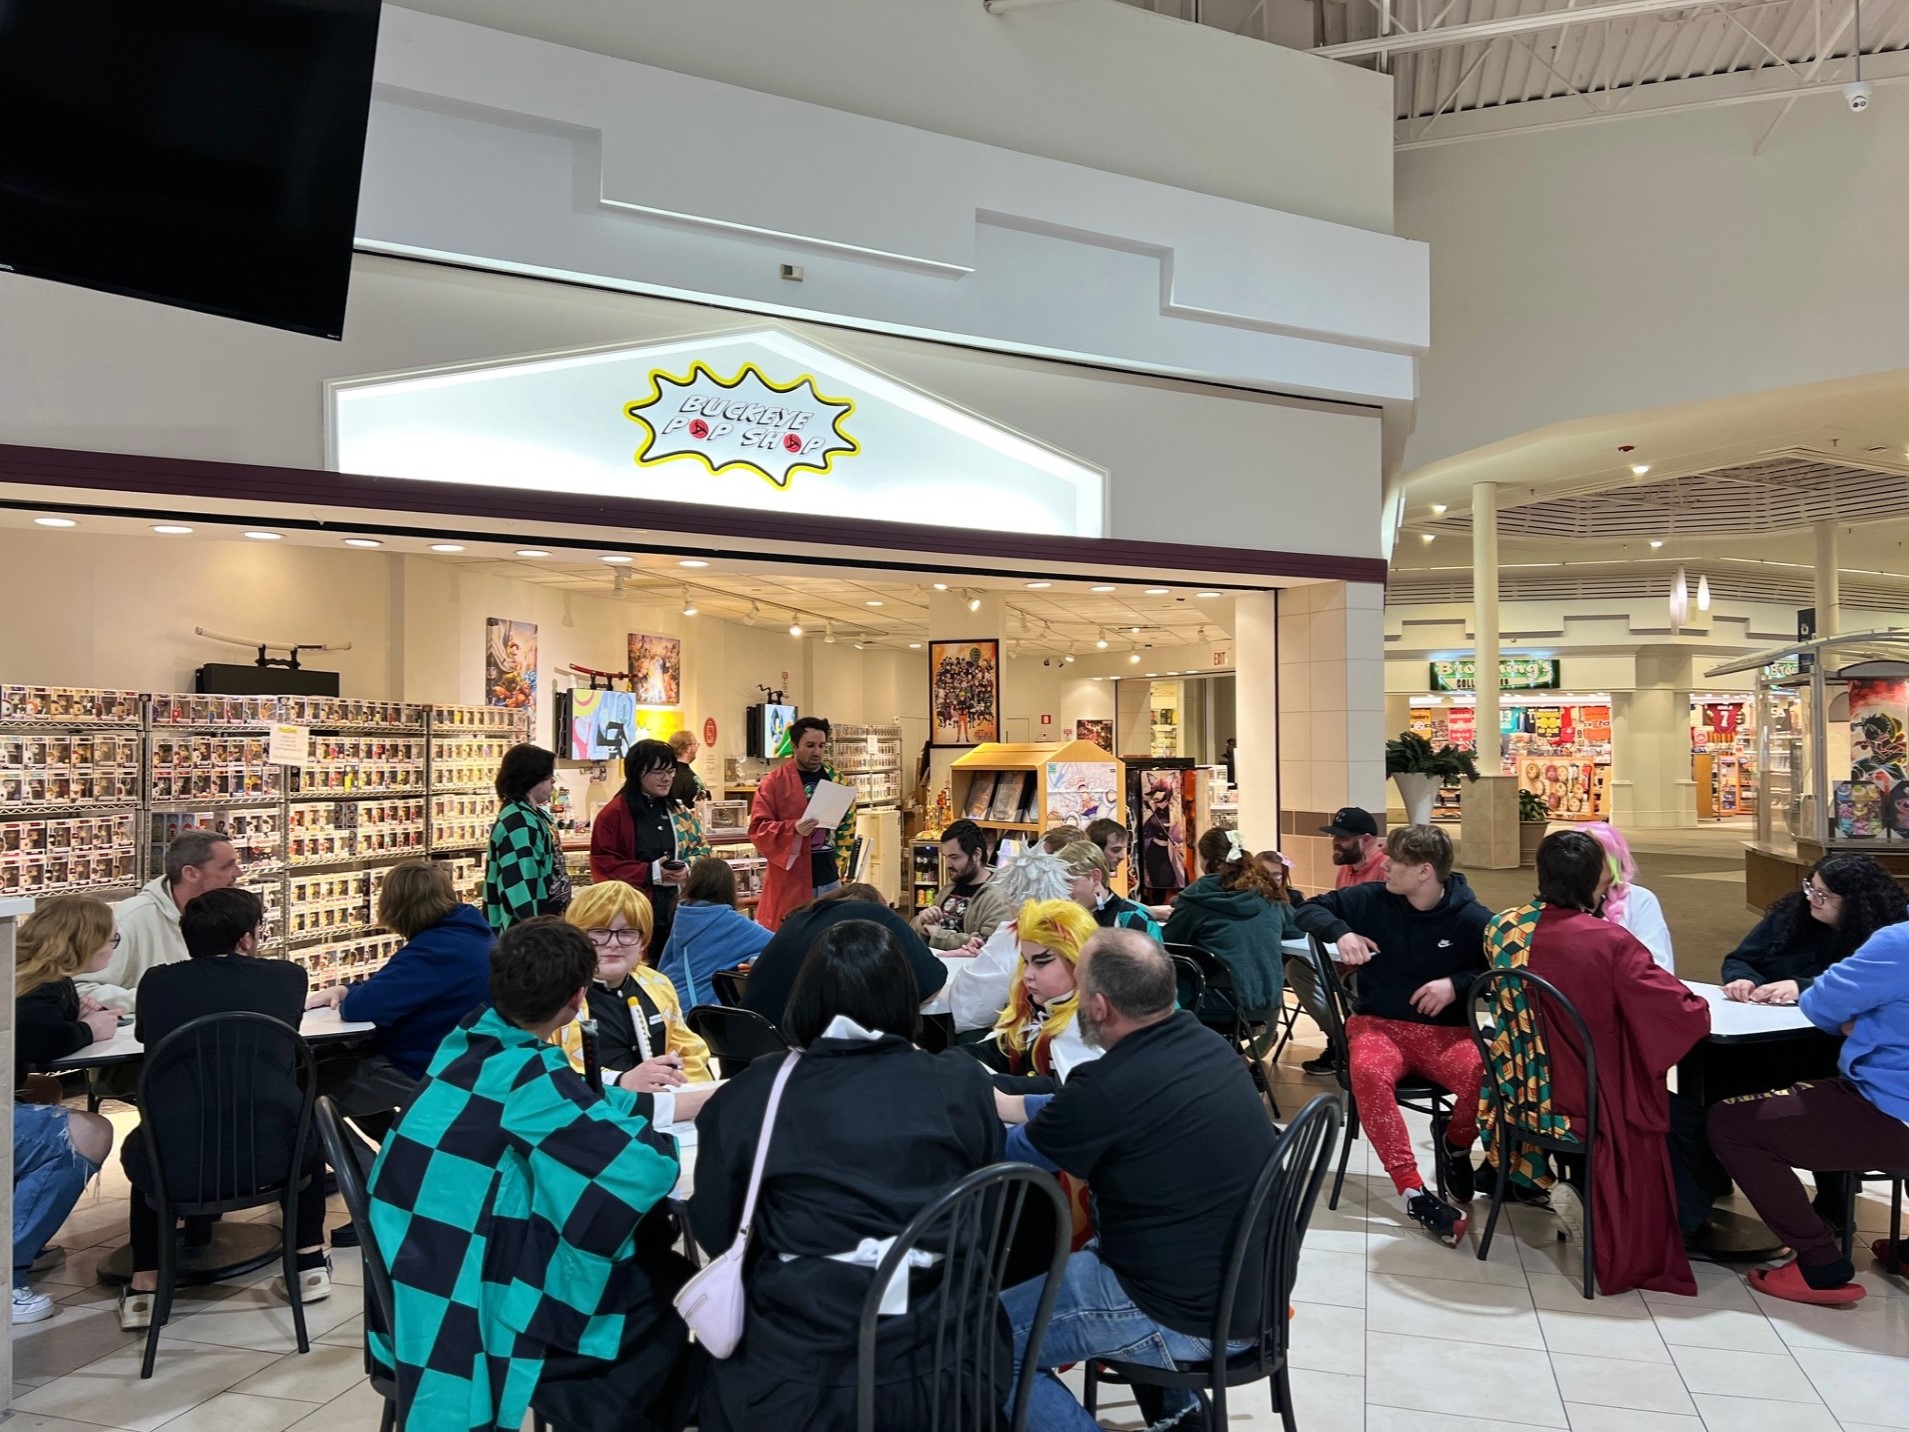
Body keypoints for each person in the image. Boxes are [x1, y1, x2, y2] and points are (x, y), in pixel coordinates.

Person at [369, 917, 711, 1430]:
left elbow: (575, 1102)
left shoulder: (469, 1042)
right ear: (578, 997)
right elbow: (644, 1171)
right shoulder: (531, 1075)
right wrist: (665, 1134)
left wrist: (632, 1105)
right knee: (660, 1278)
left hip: (415, 1273)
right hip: (472, 1294)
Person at [689, 918, 1003, 1431]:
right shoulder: (960, 1082)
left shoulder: (755, 1092)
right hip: (948, 1367)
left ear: (803, 996)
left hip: (799, 1377)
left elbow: (717, 1228)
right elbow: (984, 1207)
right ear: (905, 996)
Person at [998, 929, 1277, 1432]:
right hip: (1250, 1294)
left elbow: (1015, 1153)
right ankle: (1182, 1419)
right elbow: (1091, 1110)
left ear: (1099, 1006)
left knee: (981, 1340)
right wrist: (1013, 1103)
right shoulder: (1206, 1046)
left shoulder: (1109, 1084)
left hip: (1180, 1312)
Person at [1478, 831, 1711, 1296]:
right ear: (1596, 884)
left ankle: (1575, 1192)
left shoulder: (1501, 928)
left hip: (1519, 1093)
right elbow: (1682, 1013)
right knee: (1691, 1120)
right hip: (1585, 1102)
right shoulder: (1609, 942)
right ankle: (1681, 1224)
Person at [118, 887, 327, 1330]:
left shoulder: (157, 983)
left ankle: (145, 1285)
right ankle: (309, 1263)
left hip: (178, 1162)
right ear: (248, 938)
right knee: (305, 1127)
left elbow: (144, 1037)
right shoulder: (287, 977)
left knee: (152, 1143)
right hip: (272, 1153)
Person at [1293, 823, 1491, 1245]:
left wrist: (1455, 984)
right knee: (1367, 1070)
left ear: (1424, 871)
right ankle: (1412, 1190)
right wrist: (1341, 932)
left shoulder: (1472, 918)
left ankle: (1456, 1143)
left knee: (1485, 1075)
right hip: (1378, 1025)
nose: (1384, 867)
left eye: (1395, 861)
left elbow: (1498, 972)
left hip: (1447, 1035)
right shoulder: (1370, 899)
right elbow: (1307, 909)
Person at [1708, 909, 1909, 1304]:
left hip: (1891, 1108)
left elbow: (1821, 1003)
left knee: (1732, 1124)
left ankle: (1819, 1263)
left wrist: (1866, 1024)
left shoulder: (1898, 942)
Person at [305, 859, 494, 1107]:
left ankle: (330, 1134)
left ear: (395, 906)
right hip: (465, 1064)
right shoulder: (471, 934)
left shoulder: (432, 951)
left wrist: (349, 994)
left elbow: (359, 1008)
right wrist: (346, 989)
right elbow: (392, 987)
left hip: (420, 1068)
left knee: (299, 1094)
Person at [13, 896, 119, 1323]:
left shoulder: (24, 976)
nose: (113, 946)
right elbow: (39, 1039)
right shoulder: (45, 986)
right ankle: (8, 1269)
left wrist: (73, 1016)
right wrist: (86, 1029)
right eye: (111, 939)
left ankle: (21, 1236)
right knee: (91, 1132)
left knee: (46, 1091)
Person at [556, 880, 713, 1087]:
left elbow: (690, 1054)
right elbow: (547, 1072)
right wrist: (621, 1082)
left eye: (626, 932)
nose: (614, 943)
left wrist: (678, 1086)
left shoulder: (658, 985)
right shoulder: (555, 995)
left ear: (643, 941)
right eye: (599, 932)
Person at [741, 883, 948, 1030]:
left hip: (753, 1037)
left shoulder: (799, 919)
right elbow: (930, 981)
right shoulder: (878, 914)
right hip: (809, 1050)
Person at [80, 830, 240, 1011]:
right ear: (190, 873)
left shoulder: (221, 915)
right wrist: (156, 998)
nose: (239, 873)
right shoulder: (132, 918)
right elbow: (82, 989)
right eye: (227, 867)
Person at [1720, 853, 1904, 1004]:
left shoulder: (1890, 936)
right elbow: (1740, 959)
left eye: (1822, 894)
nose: (1810, 898)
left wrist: (1803, 988)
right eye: (1810, 888)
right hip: (1767, 1013)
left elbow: (1872, 985)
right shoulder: (1792, 912)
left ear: (1855, 903)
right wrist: (1743, 978)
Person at [1163, 828, 1295, 1030]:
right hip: (1266, 1001)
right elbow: (1296, 928)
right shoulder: (1268, 892)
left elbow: (1168, 942)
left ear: (1205, 860)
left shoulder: (1197, 897)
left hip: (1213, 1004)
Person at [591, 739, 710, 955]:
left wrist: (686, 868)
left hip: (678, 909)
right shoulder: (614, 813)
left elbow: (702, 847)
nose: (667, 778)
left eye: (671, 771)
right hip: (633, 912)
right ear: (637, 772)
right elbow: (603, 863)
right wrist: (651, 872)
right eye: (658, 772)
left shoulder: (679, 811)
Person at [948, 849, 1077, 1035]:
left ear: (1012, 896)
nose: (1029, 974)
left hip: (1028, 1032)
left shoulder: (1012, 934)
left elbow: (970, 1011)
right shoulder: (1077, 927)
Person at [747, 716, 858, 931]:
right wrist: (792, 828)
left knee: (830, 937)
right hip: (791, 880)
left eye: (821, 746)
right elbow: (757, 828)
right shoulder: (774, 782)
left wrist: (840, 863)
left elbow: (848, 826)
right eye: (810, 745)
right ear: (795, 746)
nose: (817, 752)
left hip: (829, 877)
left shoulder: (838, 780)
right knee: (794, 936)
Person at [989, 899, 1103, 1085]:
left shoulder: (1089, 1028)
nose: (1027, 975)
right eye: (1026, 962)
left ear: (1078, 961)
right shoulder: (1033, 1011)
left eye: (1041, 962)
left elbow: (1070, 1094)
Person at [655, 856, 773, 1010]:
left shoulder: (684, 914)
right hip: (703, 1007)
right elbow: (779, 944)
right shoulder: (730, 922)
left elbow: (665, 962)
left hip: (670, 1001)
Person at [484, 743, 570, 932]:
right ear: (531, 777)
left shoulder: (532, 814)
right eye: (548, 776)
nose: (553, 781)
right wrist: (533, 930)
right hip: (527, 934)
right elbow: (519, 884)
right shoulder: (518, 822)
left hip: (544, 926)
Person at [1583, 822, 1674, 972]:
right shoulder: (1557, 901)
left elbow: (1656, 965)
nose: (1589, 862)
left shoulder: (1640, 899)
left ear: (1618, 860)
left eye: (1598, 854)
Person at [915, 818, 1007, 951]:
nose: (948, 864)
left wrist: (939, 936)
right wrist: (923, 921)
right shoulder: (953, 883)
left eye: (954, 857)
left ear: (976, 854)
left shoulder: (999, 896)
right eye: (946, 857)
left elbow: (987, 945)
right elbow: (918, 928)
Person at [1057, 840, 1161, 940]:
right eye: (1058, 883)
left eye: (1068, 881)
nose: (1062, 889)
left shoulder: (1135, 918)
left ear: (1095, 877)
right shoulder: (1062, 920)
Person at [1135, 772, 1188, 905]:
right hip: (1153, 851)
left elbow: (1182, 833)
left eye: (1162, 800)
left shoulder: (1176, 812)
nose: (1159, 803)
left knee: (1166, 880)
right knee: (1154, 883)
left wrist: (1180, 843)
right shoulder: (1150, 810)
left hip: (1169, 853)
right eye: (1156, 800)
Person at [1322, 806, 1386, 888]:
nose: (1336, 841)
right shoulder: (1346, 867)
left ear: (1366, 840)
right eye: (1335, 836)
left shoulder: (1386, 868)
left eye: (1343, 837)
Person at [669, 728, 709, 804]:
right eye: (696, 744)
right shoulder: (676, 774)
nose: (697, 748)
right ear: (688, 748)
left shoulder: (683, 772)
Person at [1084, 818, 1127, 886]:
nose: (1122, 857)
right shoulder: (1083, 886)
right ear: (1096, 849)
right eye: (1116, 850)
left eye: (1123, 849)